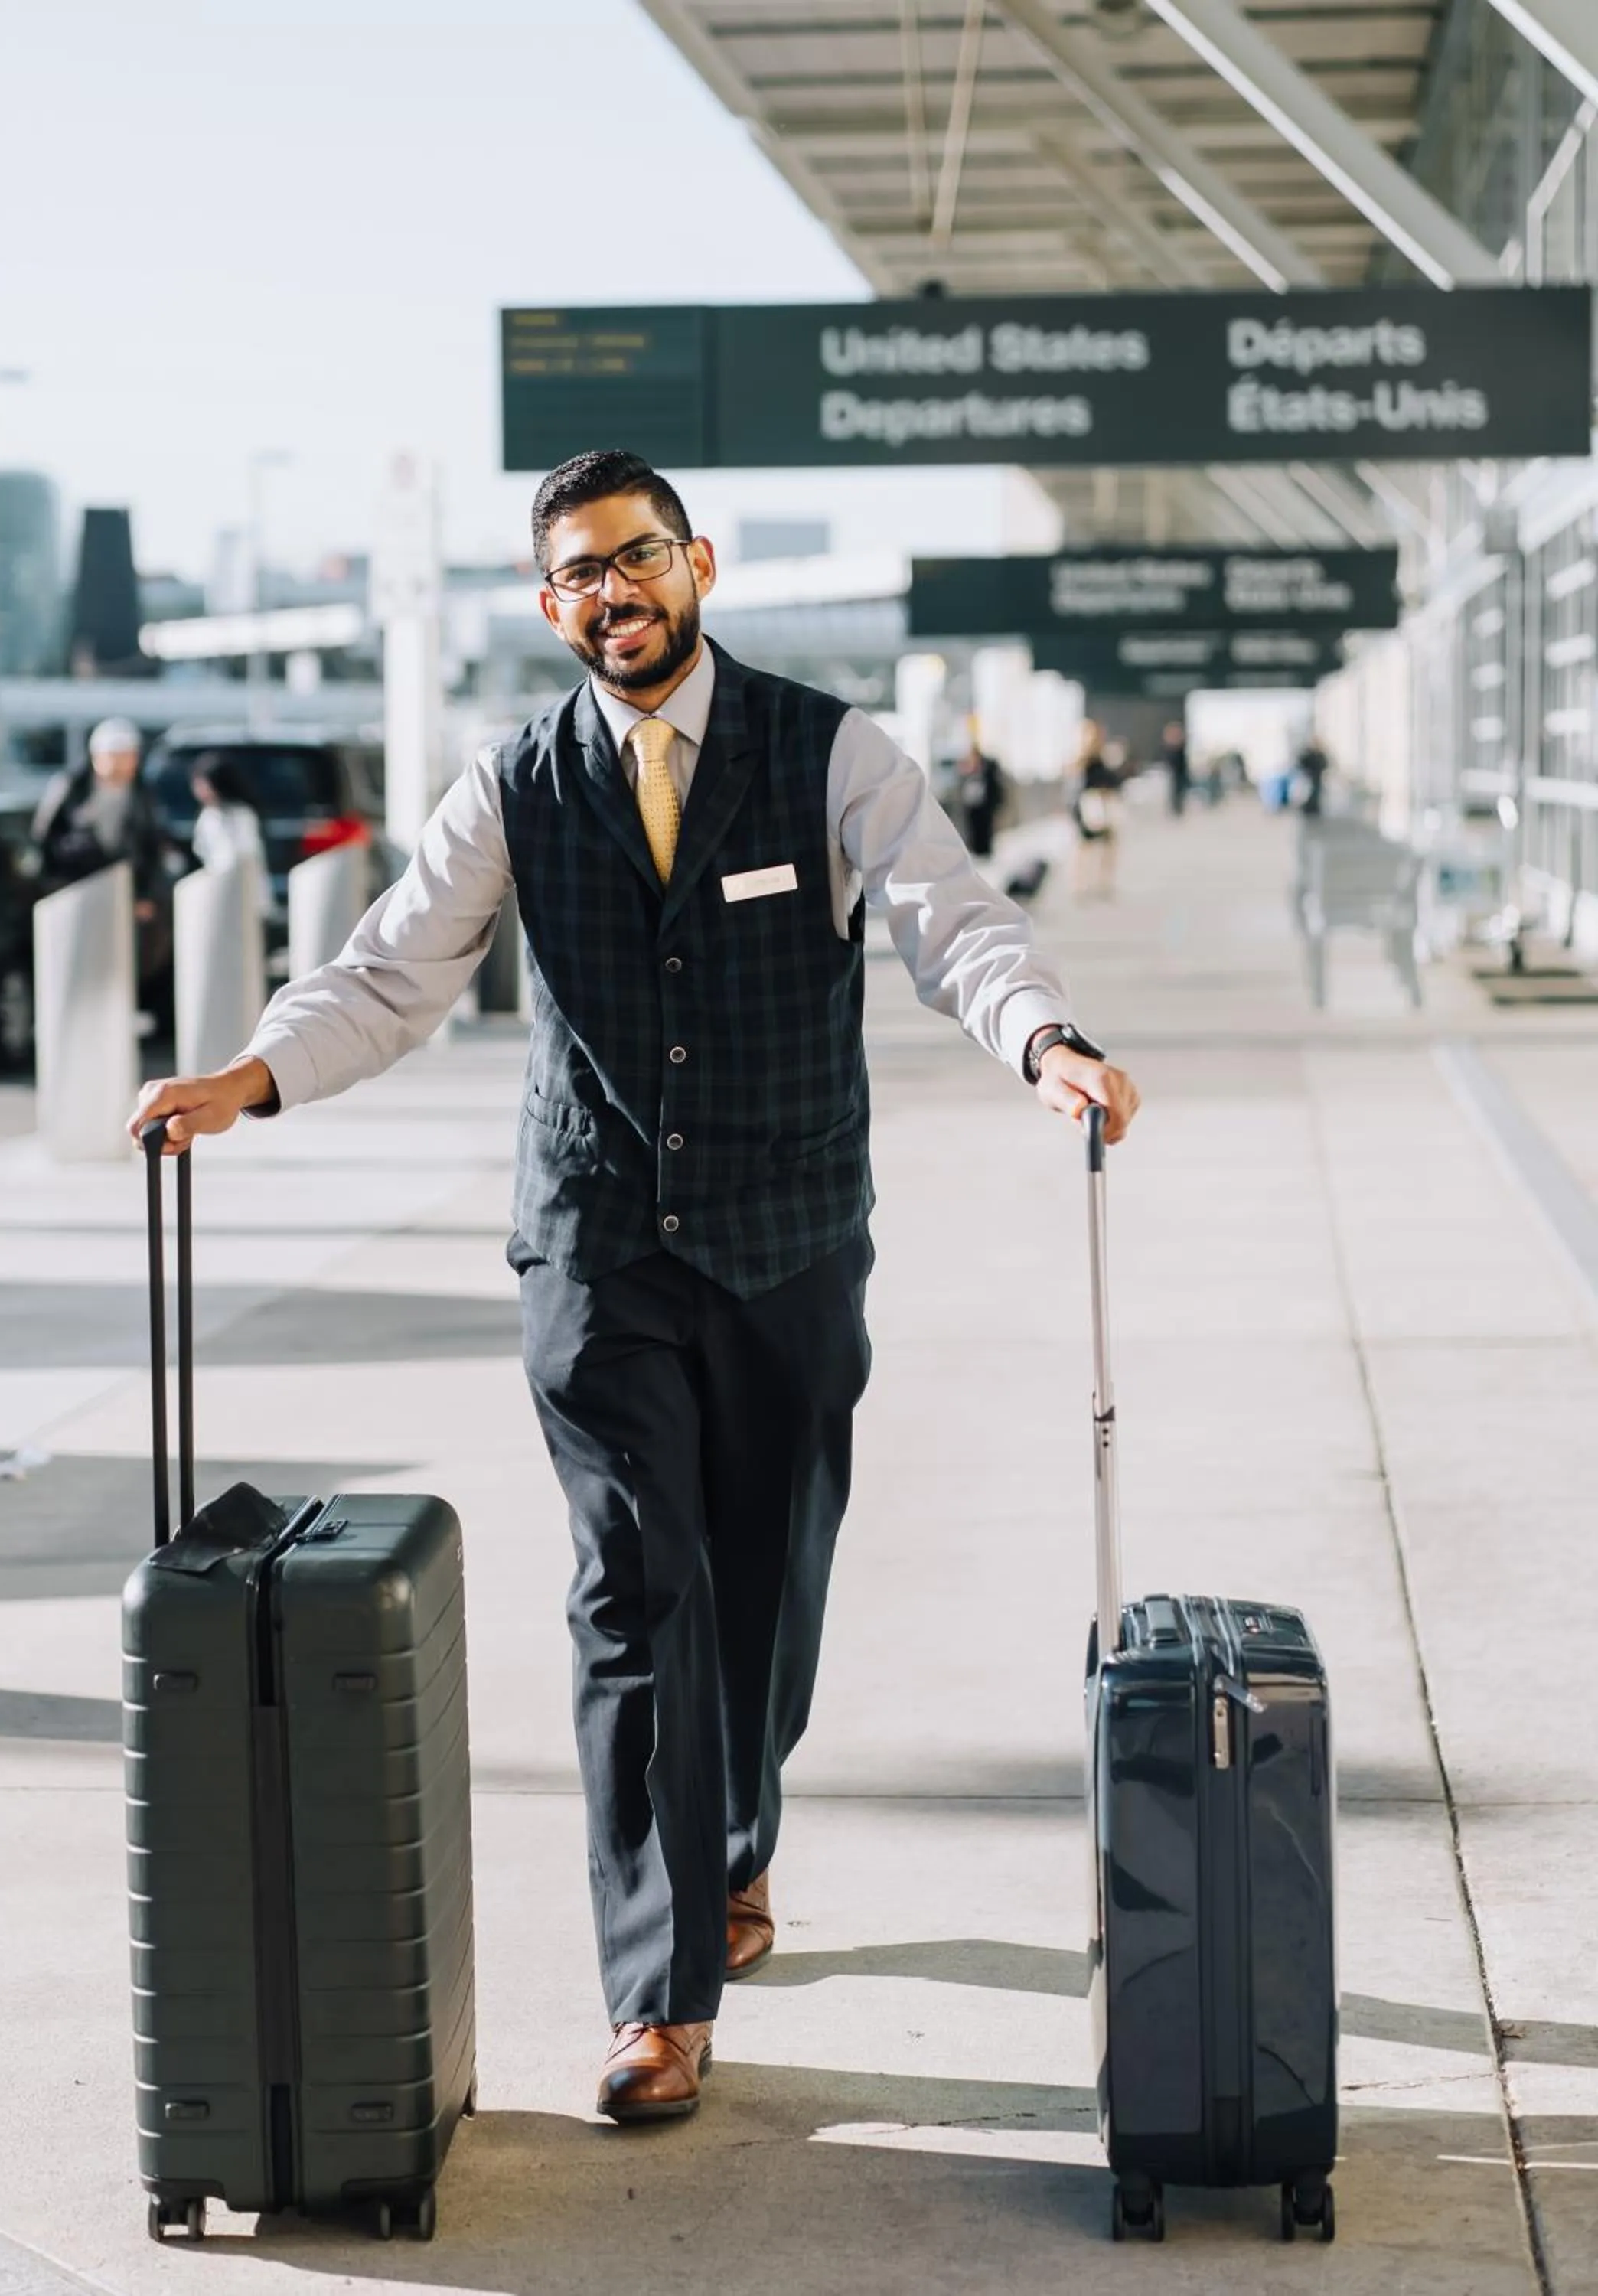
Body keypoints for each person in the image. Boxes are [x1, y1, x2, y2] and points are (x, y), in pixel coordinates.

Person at [129, 449, 1140, 2127]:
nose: (615, 591)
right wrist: (250, 1077)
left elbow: (951, 923)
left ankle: (737, 1843)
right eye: (581, 574)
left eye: (639, 558)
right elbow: (393, 971)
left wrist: (1044, 1041)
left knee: (766, 1590)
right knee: (634, 1598)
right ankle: (656, 1997)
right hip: (598, 1251)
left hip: (791, 1239)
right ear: (550, 607)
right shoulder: (515, 784)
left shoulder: (833, 753)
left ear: (700, 565)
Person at [33, 717, 173, 1020]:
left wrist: (147, 893)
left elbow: (151, 846)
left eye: (131, 757)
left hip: (125, 891)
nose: (125, 766)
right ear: (98, 757)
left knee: (125, 954)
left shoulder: (141, 792)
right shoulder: (71, 787)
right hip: (76, 889)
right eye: (118, 757)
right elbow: (45, 840)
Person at [189, 754, 271, 914]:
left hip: (242, 890)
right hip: (217, 891)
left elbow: (244, 854)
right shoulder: (207, 816)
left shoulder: (241, 815)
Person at [1069, 719, 1122, 901]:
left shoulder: (1105, 755)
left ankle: (1103, 882)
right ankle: (1081, 884)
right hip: (1091, 806)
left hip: (1104, 805)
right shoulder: (1083, 758)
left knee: (1108, 845)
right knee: (1086, 847)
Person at [954, 737, 1005, 859]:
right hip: (972, 803)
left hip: (985, 802)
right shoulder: (967, 765)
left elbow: (994, 782)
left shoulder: (988, 765)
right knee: (973, 827)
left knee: (986, 827)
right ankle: (976, 849)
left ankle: (985, 851)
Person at [1159, 719, 1191, 819]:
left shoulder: (1180, 749)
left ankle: (1178, 810)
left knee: (1179, 793)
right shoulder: (1169, 749)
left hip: (1180, 775)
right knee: (1173, 793)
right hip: (1172, 776)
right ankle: (1175, 810)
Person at [1296, 737, 1330, 818]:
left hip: (1317, 776)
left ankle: (1314, 808)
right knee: (1308, 792)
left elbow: (1325, 764)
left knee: (1316, 793)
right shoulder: (1309, 753)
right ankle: (1308, 808)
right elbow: (1302, 762)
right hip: (1308, 776)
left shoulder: (1320, 754)